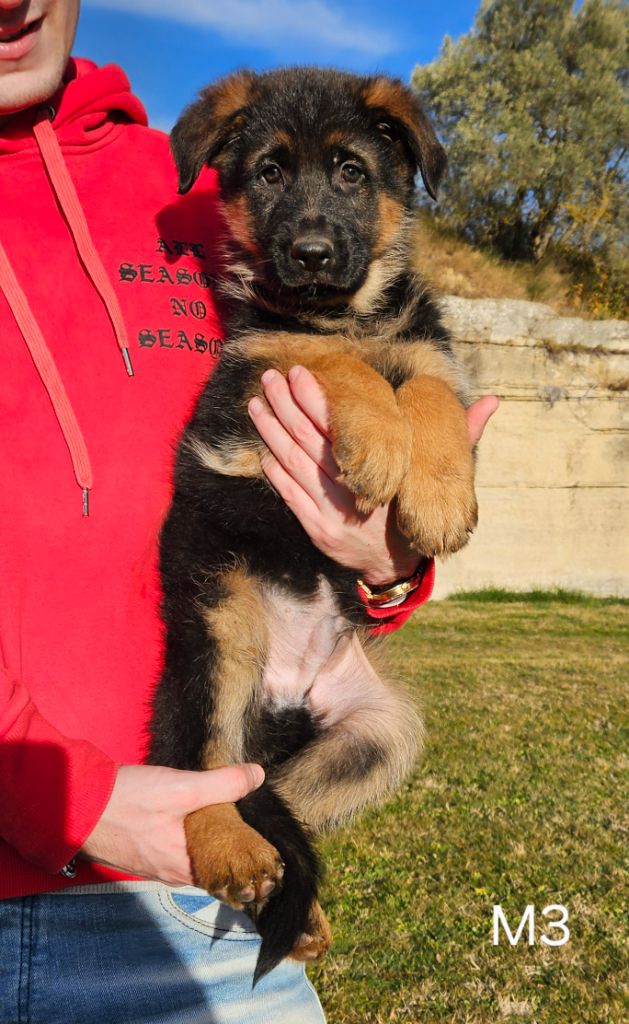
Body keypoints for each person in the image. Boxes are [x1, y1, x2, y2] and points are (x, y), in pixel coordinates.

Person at [0, 2, 498, 1022]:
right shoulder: (217, 173)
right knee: (213, 629)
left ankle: (269, 837)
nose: (307, 222)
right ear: (239, 180)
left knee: (386, 732)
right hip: (95, 833)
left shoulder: (171, 186)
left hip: (204, 921)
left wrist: (386, 564)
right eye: (274, 178)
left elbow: (321, 475)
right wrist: (78, 800)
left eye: (345, 177)